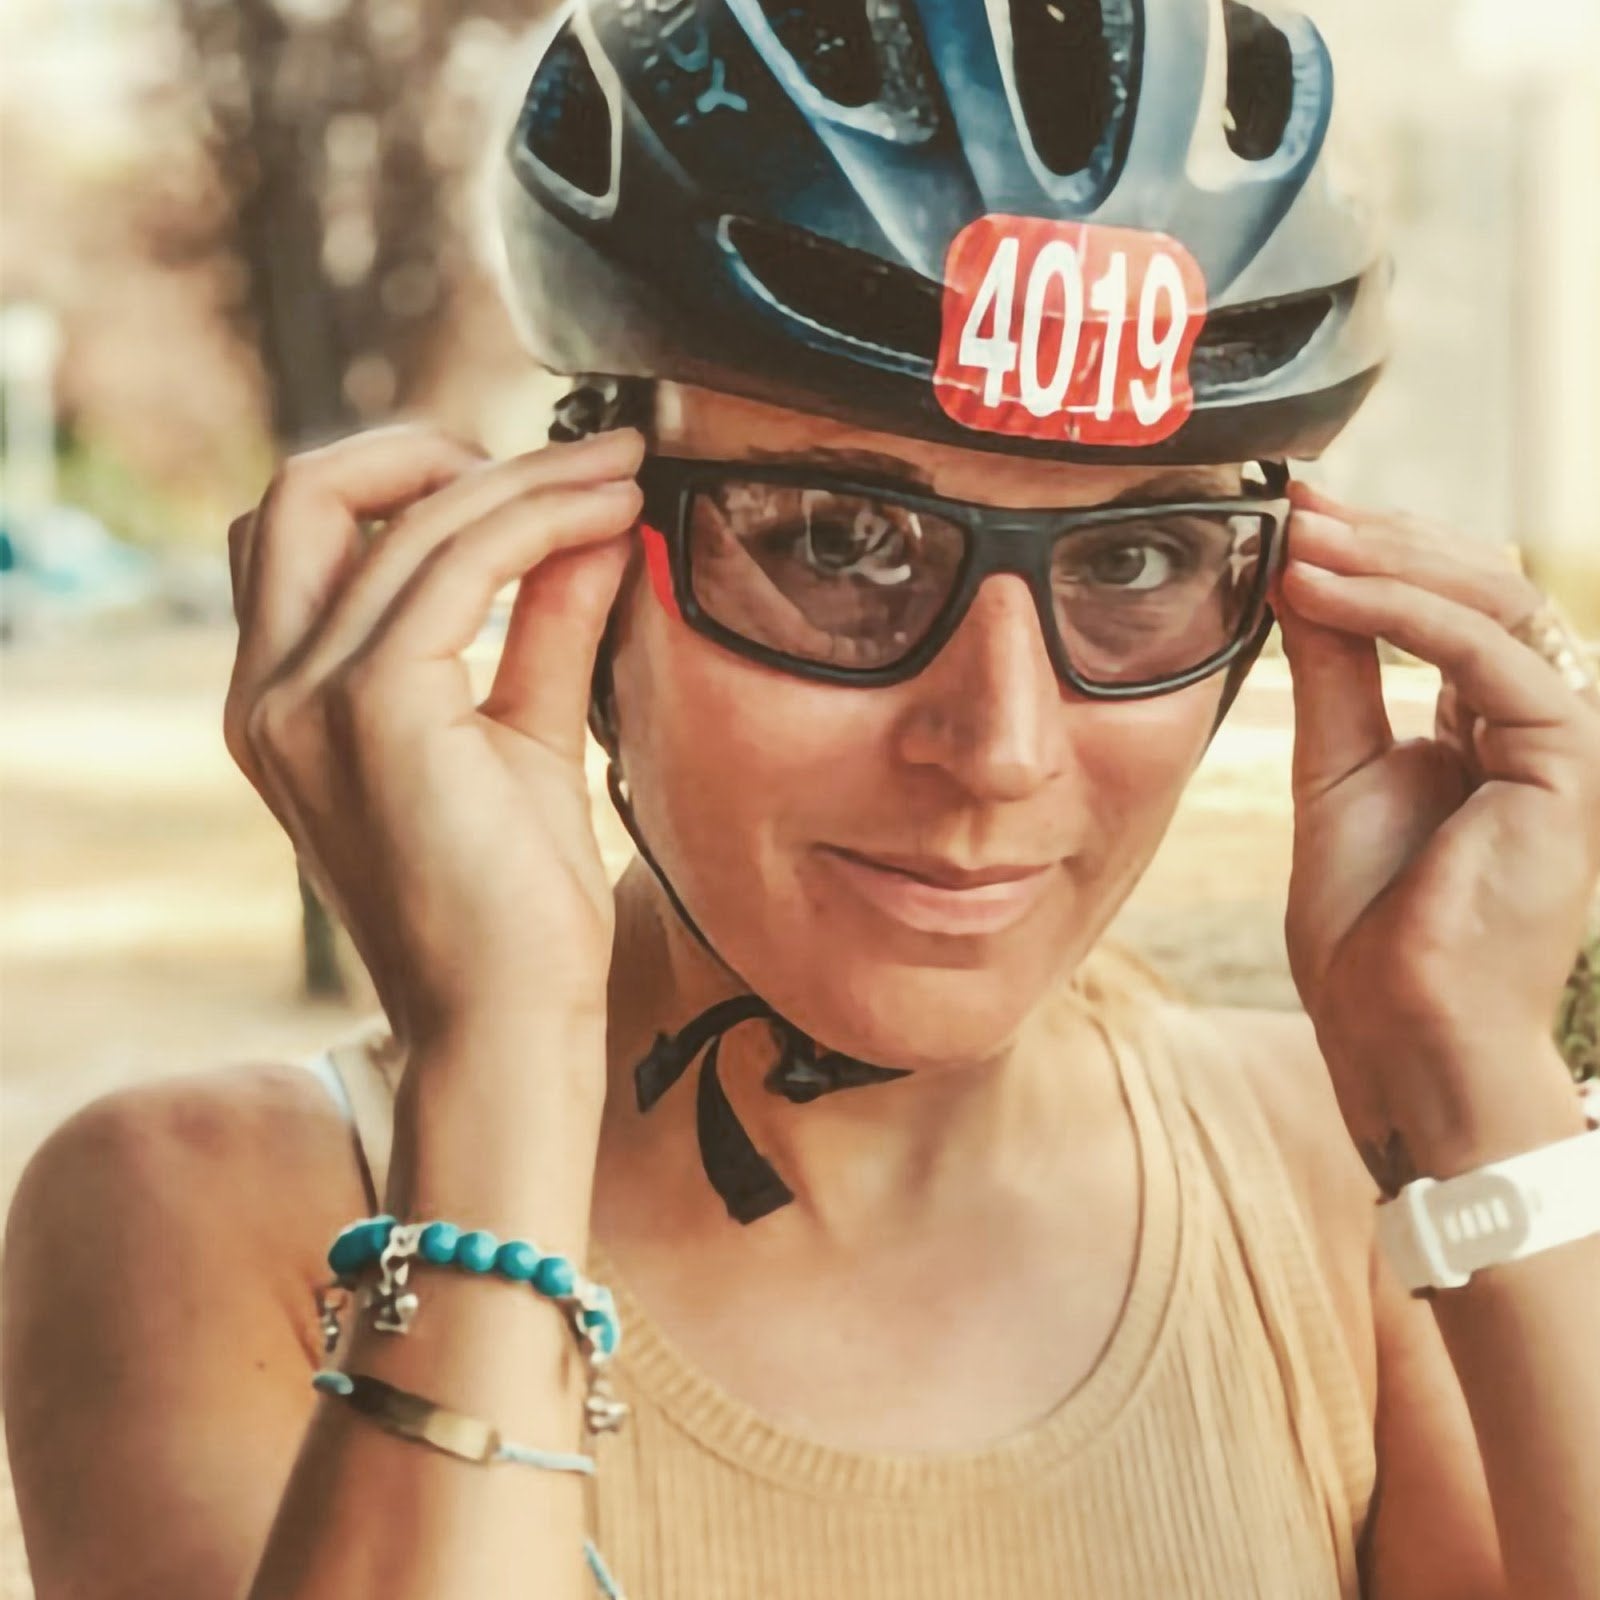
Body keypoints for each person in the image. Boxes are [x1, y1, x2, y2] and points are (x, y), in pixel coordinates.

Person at [5, 1, 1600, 1596]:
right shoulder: (203, 1217)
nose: (1001, 748)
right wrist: (496, 1083)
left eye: (1135, 560)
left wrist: (1475, 1082)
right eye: (840, 545)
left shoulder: (1352, 1175)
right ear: (573, 564)